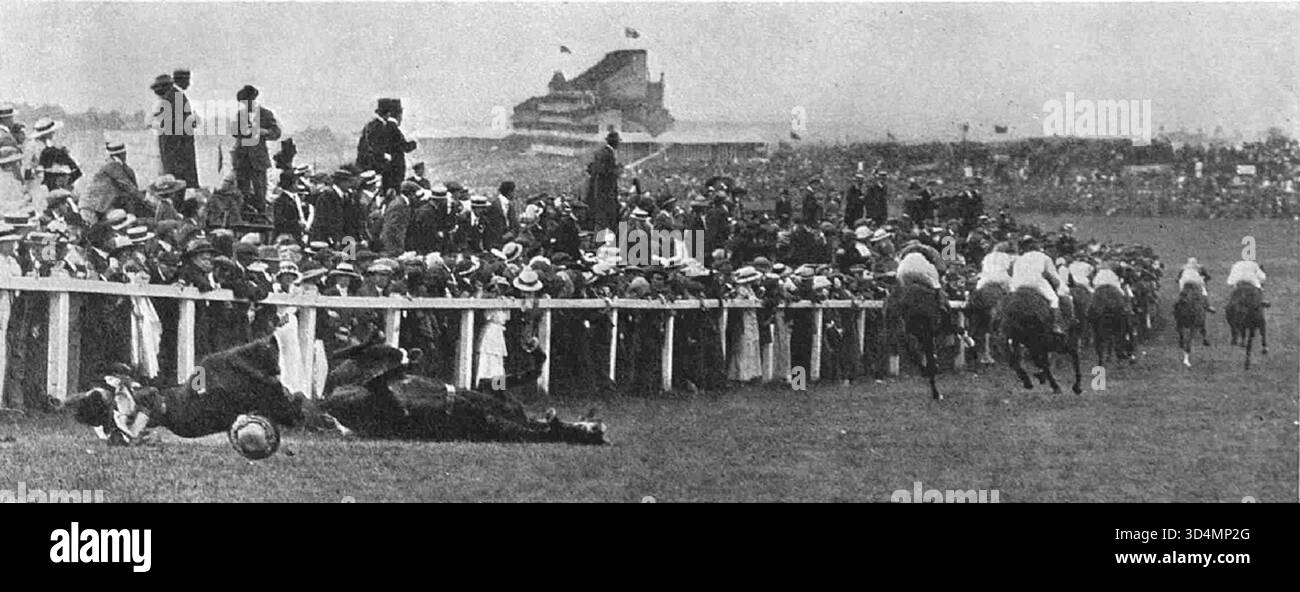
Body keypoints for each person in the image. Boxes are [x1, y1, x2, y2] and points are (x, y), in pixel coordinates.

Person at [230, 84, 282, 214]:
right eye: (243, 102)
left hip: (258, 159)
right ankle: (243, 216)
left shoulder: (265, 114)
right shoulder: (240, 114)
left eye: (248, 101)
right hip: (242, 158)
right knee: (242, 191)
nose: (246, 104)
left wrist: (263, 132)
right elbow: (234, 132)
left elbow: (276, 132)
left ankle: (261, 215)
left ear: (253, 99)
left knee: (260, 191)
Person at [1009, 235, 1067, 337]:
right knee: (1054, 300)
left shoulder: (1018, 259)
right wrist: (1058, 285)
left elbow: (1013, 274)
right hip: (1036, 283)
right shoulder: (1044, 257)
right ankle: (1056, 325)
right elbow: (1053, 275)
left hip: (1017, 285)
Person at [356, 98, 417, 192]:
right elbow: (373, 147)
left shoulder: (376, 125)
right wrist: (384, 156)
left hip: (375, 167)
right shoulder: (378, 126)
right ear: (388, 114)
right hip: (376, 168)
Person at [151, 72, 200, 188]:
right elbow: (176, 128)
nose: (189, 83)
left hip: (173, 154)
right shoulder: (176, 97)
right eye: (188, 80)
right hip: (180, 156)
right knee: (181, 186)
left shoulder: (171, 97)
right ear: (182, 80)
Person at [82, 142, 140, 225]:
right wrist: (149, 201)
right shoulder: (111, 165)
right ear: (122, 154)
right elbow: (128, 186)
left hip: (102, 207)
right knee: (97, 229)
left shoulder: (124, 168)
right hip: (92, 208)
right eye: (123, 154)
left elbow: (131, 188)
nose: (125, 156)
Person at [28, 118, 81, 191]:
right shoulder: (44, 149)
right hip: (48, 181)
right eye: (52, 131)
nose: (53, 133)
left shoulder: (46, 146)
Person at [585, 130, 622, 231]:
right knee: (606, 221)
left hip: (602, 195)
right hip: (605, 195)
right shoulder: (606, 154)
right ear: (614, 142)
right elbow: (603, 172)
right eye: (618, 141)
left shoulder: (603, 153)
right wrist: (616, 171)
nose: (619, 144)